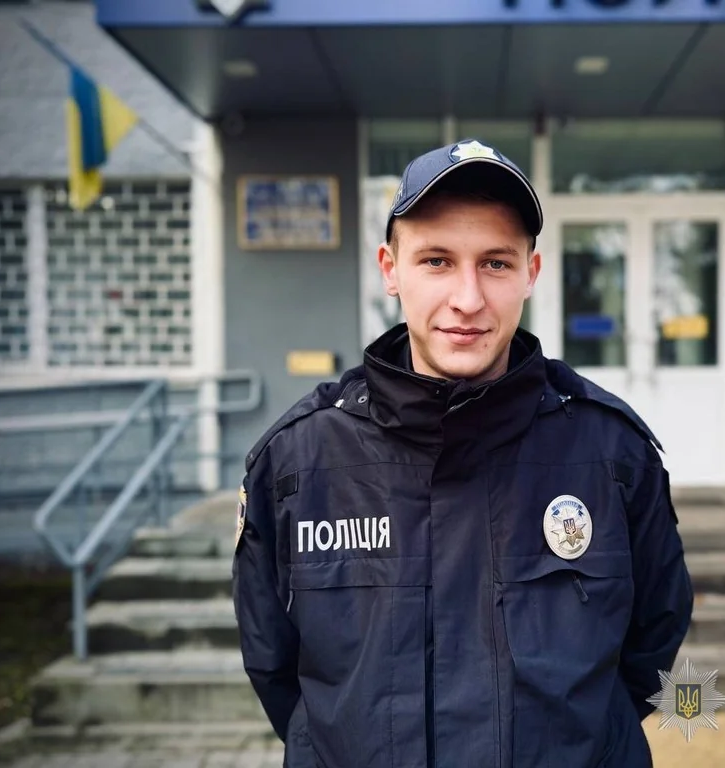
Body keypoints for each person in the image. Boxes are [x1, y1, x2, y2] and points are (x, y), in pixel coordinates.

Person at [232, 138, 694, 768]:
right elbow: (275, 664)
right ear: (391, 269)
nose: (468, 299)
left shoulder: (611, 451)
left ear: (531, 273)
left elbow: (651, 641)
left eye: (496, 263)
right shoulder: (300, 461)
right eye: (437, 261)